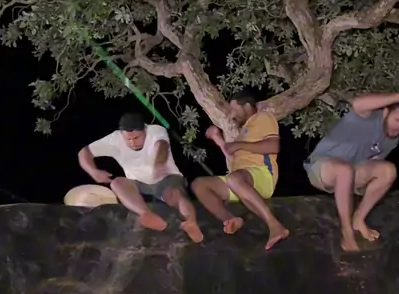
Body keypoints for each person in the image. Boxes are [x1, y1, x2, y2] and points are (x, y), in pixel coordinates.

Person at [304, 85, 399, 252]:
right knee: (344, 170)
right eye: (397, 120)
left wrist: (371, 184)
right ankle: (347, 233)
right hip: (321, 167)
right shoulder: (366, 117)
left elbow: (373, 163)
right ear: (385, 112)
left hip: (351, 173)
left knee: (388, 170)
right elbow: (358, 103)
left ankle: (358, 219)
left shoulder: (392, 139)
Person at [78, 112, 203, 242]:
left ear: (145, 130)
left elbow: (162, 145)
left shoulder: (155, 130)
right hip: (138, 183)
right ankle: (146, 214)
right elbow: (84, 152)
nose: (133, 142)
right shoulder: (115, 139)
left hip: (165, 178)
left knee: (175, 195)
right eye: (128, 139)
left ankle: (191, 223)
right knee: (117, 183)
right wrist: (93, 171)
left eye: (137, 137)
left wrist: (159, 163)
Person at [191, 91, 289, 251]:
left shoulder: (263, 118)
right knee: (199, 184)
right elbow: (233, 159)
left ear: (247, 106)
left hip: (262, 174)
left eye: (234, 109)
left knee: (234, 179)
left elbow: (273, 146)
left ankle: (275, 225)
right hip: (240, 180)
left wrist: (240, 145)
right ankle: (230, 219)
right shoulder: (243, 132)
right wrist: (217, 138)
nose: (232, 115)